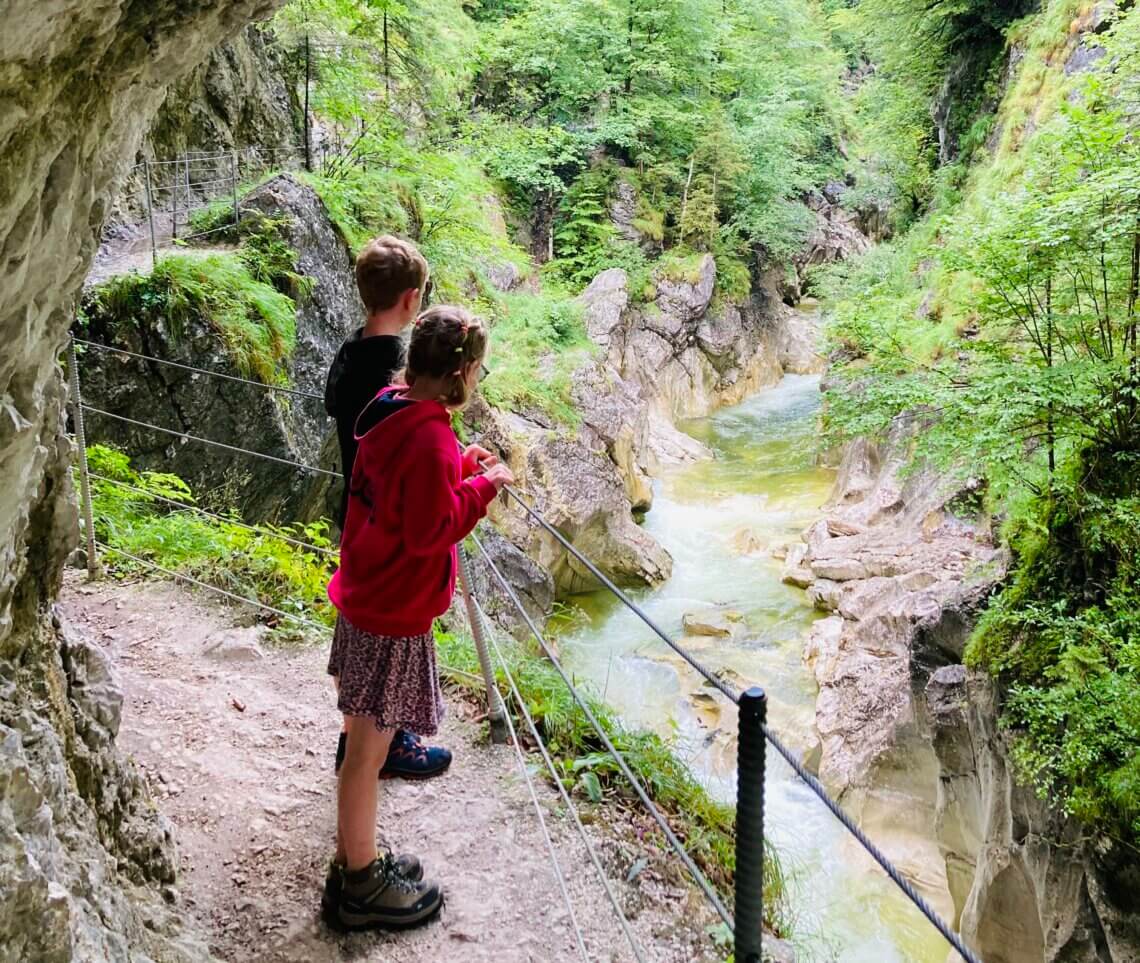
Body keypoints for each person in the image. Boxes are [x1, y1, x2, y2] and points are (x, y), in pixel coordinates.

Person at [321, 305, 513, 930]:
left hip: (365, 594)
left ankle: (357, 856)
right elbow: (434, 526)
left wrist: (459, 465)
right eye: (477, 371)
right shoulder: (430, 436)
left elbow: (410, 484)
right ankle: (359, 883)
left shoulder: (390, 407)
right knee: (366, 757)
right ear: (461, 374)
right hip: (390, 612)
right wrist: (483, 487)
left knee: (361, 741)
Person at [324, 235, 452, 782]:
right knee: (389, 632)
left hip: (353, 503)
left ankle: (356, 736)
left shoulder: (350, 352)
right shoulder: (391, 372)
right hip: (388, 514)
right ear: (411, 299)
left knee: (360, 623)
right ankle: (387, 742)